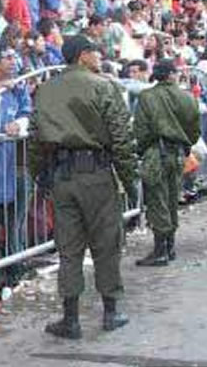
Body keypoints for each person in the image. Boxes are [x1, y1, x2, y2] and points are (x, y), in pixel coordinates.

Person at [31, 34, 137, 339]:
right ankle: (111, 312)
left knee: (69, 248)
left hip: (62, 176)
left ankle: (71, 318)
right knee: (106, 243)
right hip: (98, 175)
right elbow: (121, 137)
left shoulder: (46, 89)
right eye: (95, 51)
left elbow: (37, 138)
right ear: (82, 56)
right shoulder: (104, 86)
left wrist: (39, 175)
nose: (99, 57)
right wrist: (129, 180)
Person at [134, 59, 200, 266]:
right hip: (179, 153)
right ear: (172, 74)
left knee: (157, 199)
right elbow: (194, 129)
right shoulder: (187, 97)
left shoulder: (147, 97)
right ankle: (169, 246)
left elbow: (141, 129)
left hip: (156, 151)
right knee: (172, 198)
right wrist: (186, 144)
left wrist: (142, 149)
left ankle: (160, 248)